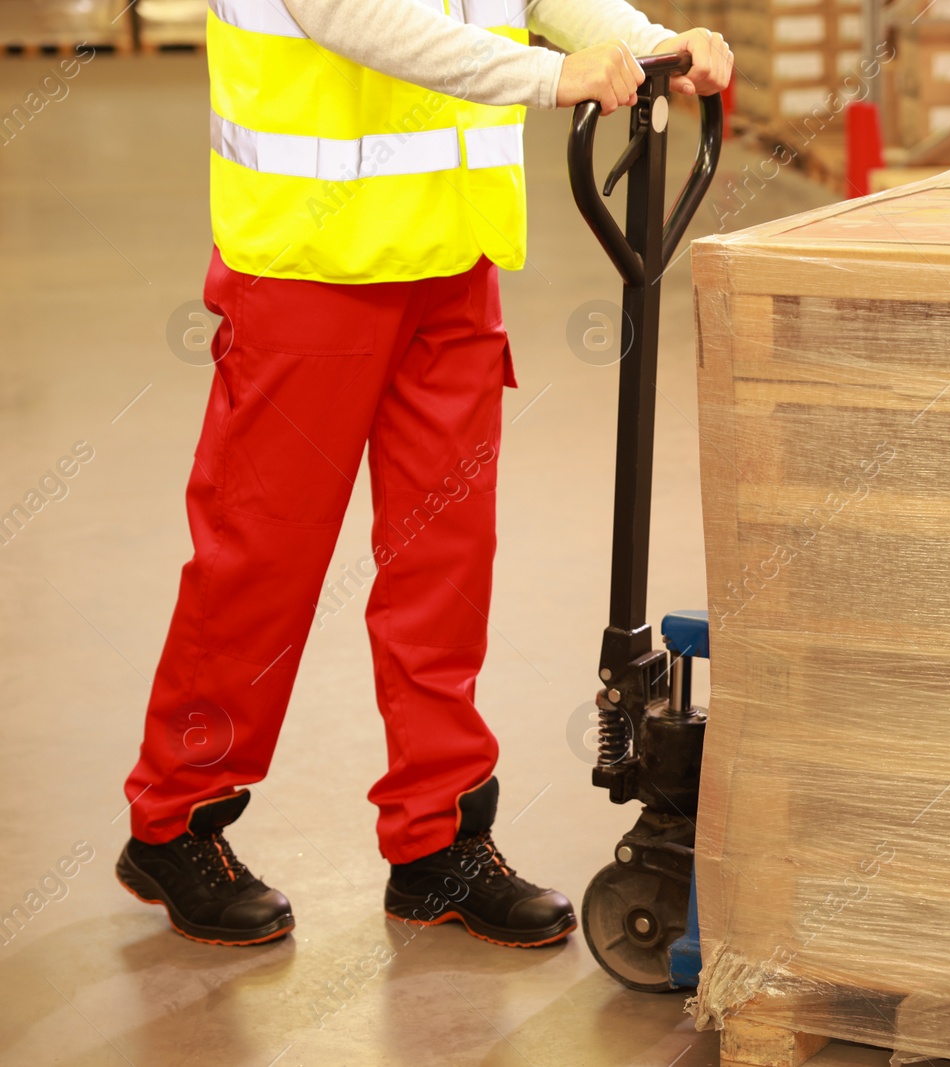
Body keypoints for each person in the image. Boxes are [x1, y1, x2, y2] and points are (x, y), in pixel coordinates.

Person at [114, 0, 733, 948]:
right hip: (308, 268)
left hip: (450, 263)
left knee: (443, 567)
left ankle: (437, 839)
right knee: (259, 563)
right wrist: (550, 78)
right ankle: (174, 817)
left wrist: (649, 43)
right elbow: (350, 18)